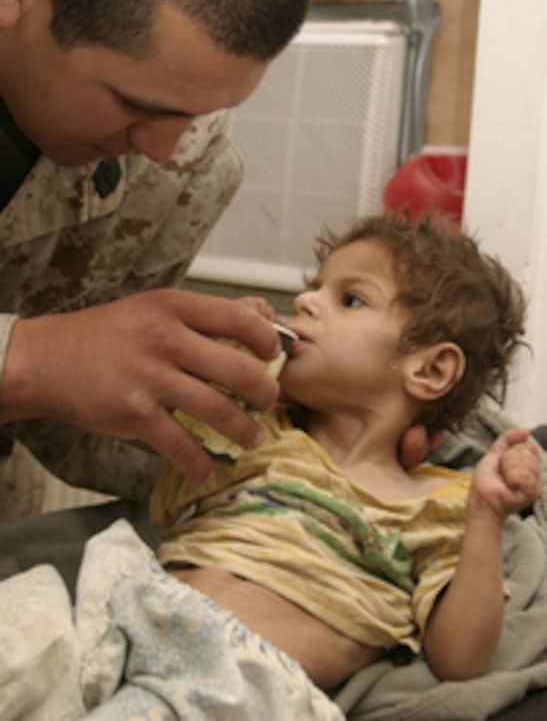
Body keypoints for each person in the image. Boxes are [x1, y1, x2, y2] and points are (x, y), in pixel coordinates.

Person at [0, 0, 318, 505]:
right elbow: (49, 374)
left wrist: (272, 448)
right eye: (137, 106)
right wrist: (30, 359)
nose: (166, 150)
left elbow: (74, 426)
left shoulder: (194, 161)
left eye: (195, 115)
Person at [149, 212, 542, 699]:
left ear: (431, 368)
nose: (303, 301)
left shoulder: (439, 505)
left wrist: (487, 514)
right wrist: (234, 356)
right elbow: (162, 427)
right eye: (314, 286)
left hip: (238, 688)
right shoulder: (255, 432)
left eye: (350, 298)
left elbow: (459, 659)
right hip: (134, 611)